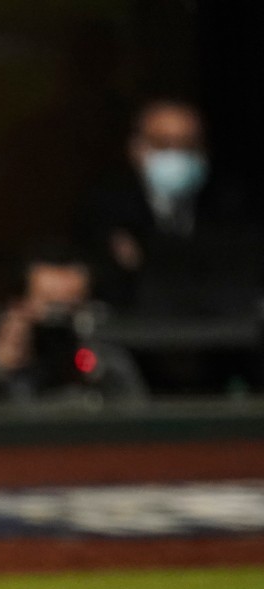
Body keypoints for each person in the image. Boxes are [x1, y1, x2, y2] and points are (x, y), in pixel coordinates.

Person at [74, 98, 263, 392]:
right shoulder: (107, 206)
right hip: (138, 352)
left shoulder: (233, 203)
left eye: (187, 145)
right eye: (164, 144)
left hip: (222, 353)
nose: (176, 156)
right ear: (137, 148)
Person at [0, 245, 148, 406]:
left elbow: (141, 429)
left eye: (72, 307)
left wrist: (97, 375)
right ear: (18, 306)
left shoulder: (107, 364)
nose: (59, 318)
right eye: (50, 305)